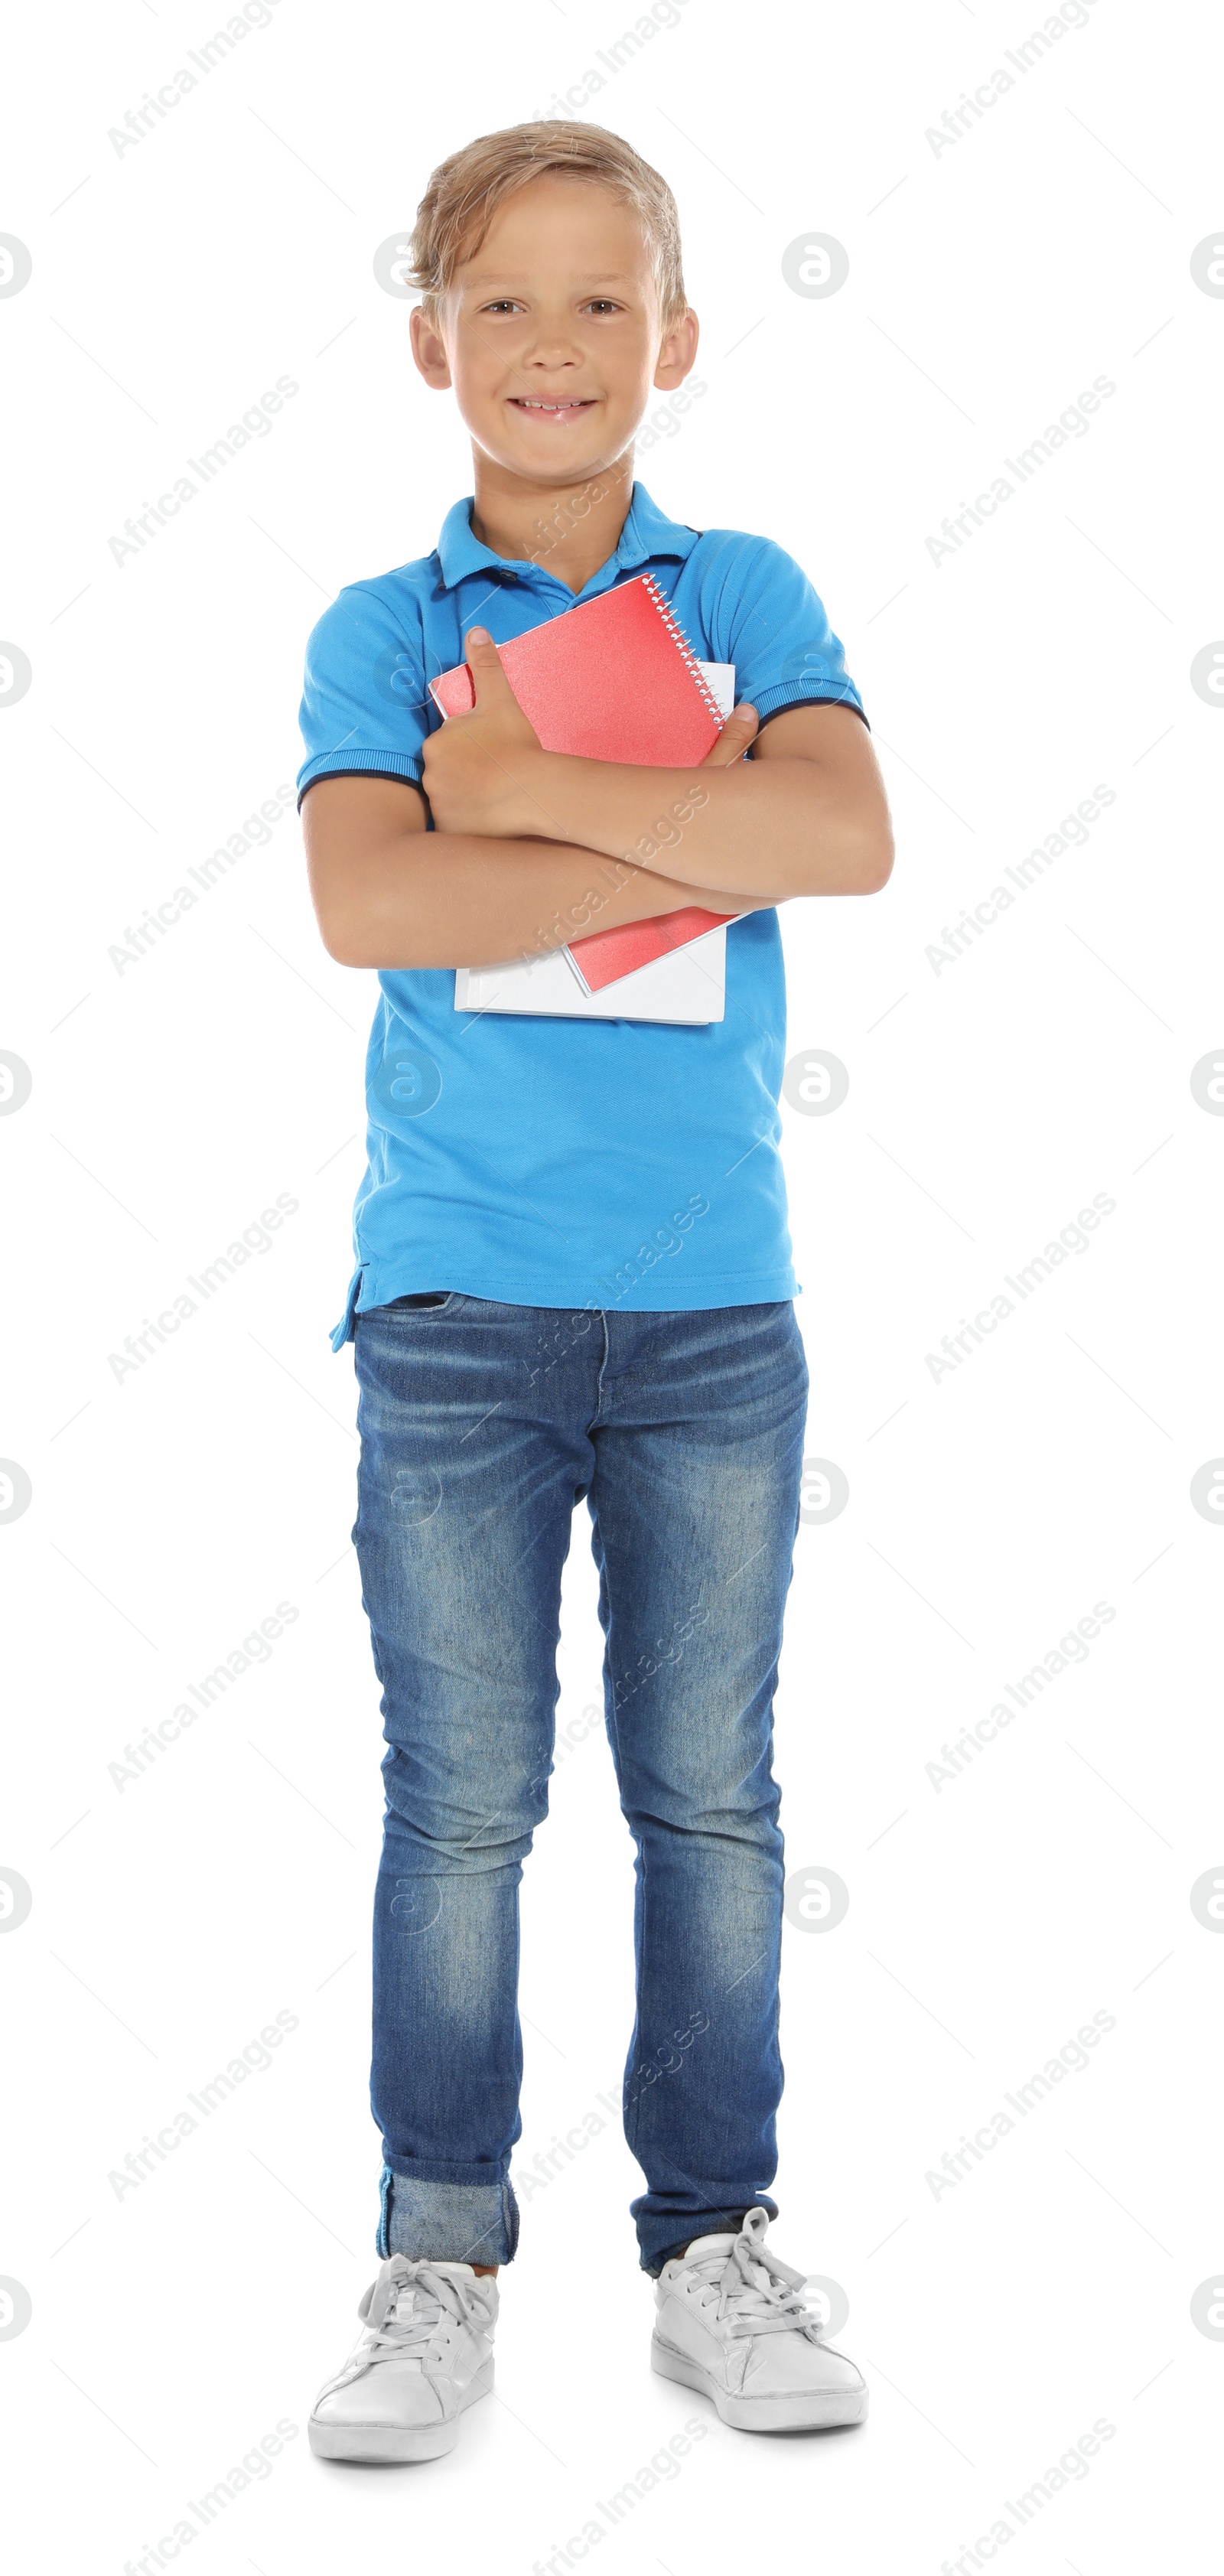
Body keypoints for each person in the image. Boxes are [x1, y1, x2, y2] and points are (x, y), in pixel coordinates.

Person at [298, 119, 893, 2463]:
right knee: (459, 1803)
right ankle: (436, 2254)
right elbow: (375, 909)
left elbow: (838, 838)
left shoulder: (746, 590)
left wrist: (515, 791)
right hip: (455, 1307)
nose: (557, 346)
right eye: (507, 304)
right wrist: (681, 802)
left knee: (709, 1798)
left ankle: (714, 2242)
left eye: (601, 300)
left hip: (715, 1316)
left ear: (680, 335)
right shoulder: (383, 626)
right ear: (433, 339)